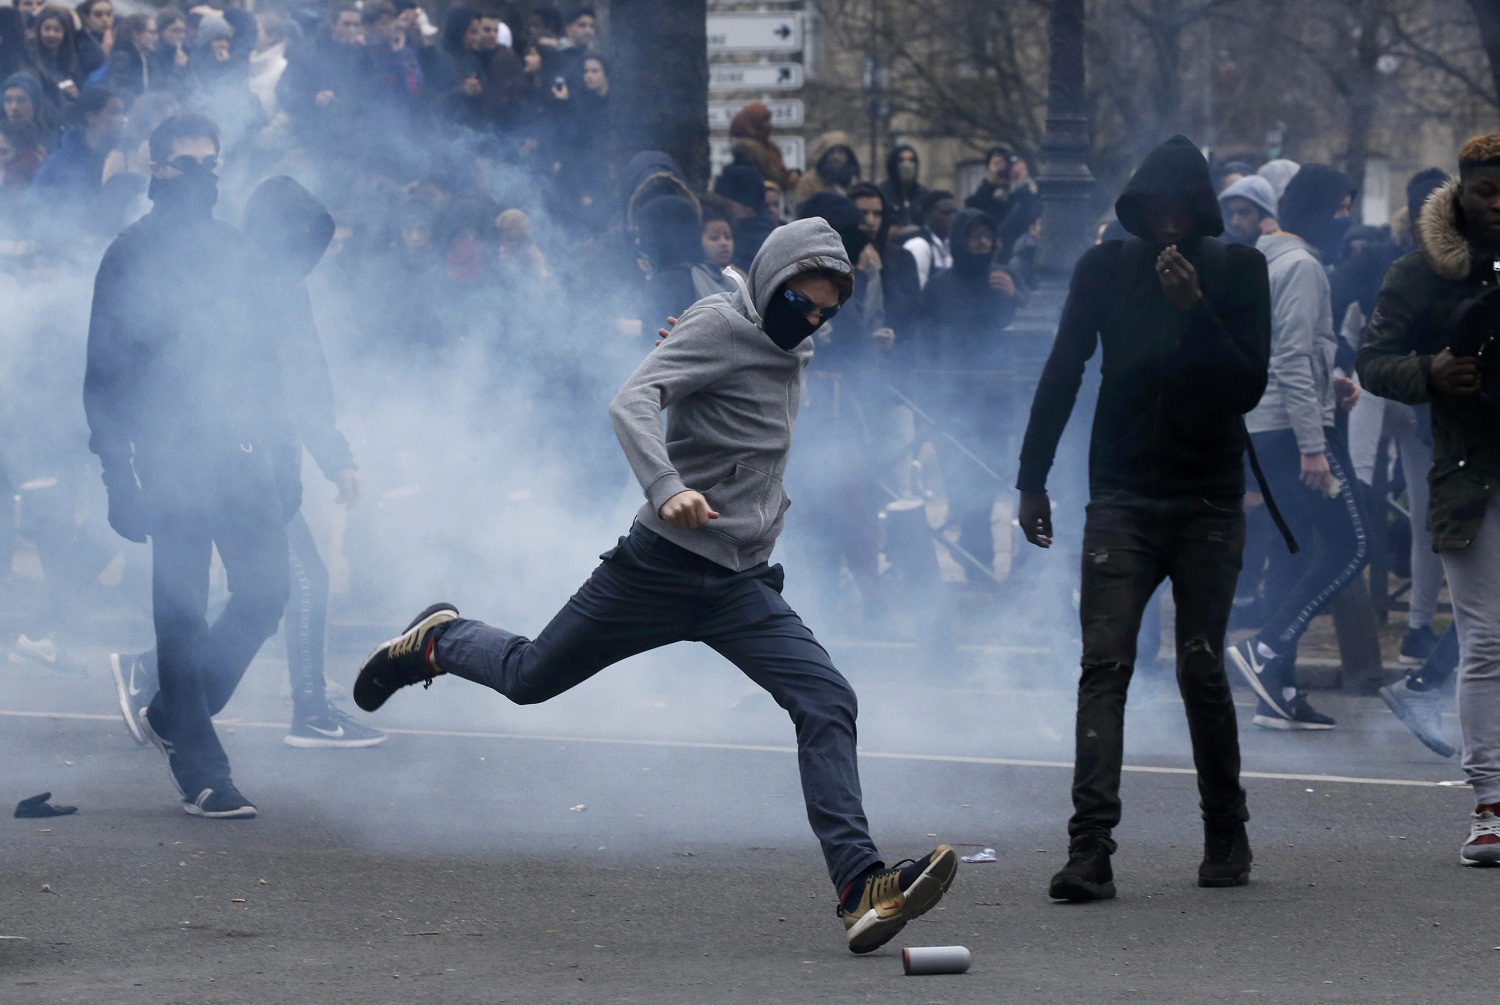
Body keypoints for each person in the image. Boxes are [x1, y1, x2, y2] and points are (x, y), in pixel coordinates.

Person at [351, 217, 958, 953]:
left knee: (827, 698)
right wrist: (666, 486)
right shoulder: (717, 324)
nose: (815, 320)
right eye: (804, 302)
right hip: (660, 564)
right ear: (774, 280)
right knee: (529, 675)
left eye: (830, 309)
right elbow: (631, 401)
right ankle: (439, 641)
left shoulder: (789, 339)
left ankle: (861, 885)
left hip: (741, 582)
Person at [1016, 135, 1271, 901]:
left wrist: (1194, 308)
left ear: (1200, 212)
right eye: (1154, 209)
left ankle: (1226, 828)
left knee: (1200, 664)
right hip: (1122, 495)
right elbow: (1064, 367)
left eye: (1181, 209)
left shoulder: (1238, 271)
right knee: (1105, 665)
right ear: (1136, 210)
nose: (1167, 224)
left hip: (1207, 499)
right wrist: (1032, 478)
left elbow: (1245, 386)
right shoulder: (1104, 268)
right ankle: (1089, 848)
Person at [109, 173, 382, 752]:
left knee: (269, 587)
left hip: (261, 466)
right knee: (291, 581)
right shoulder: (228, 280)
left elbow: (306, 381)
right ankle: (299, 710)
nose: (304, 260)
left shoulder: (283, 287)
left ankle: (156, 680)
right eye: (296, 244)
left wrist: (335, 457)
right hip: (222, 462)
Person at [84, 113, 290, 818]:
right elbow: (103, 376)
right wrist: (119, 476)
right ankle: (204, 769)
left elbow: (267, 365)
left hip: (239, 456)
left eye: (211, 164)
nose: (201, 176)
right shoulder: (130, 254)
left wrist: (283, 455)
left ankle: (174, 708)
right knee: (181, 613)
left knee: (267, 594)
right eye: (186, 164)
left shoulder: (235, 252)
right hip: (170, 457)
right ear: (156, 169)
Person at [1357, 133, 1500, 866]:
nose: (1499, 204)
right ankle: (1490, 807)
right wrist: (1432, 371)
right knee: (1485, 640)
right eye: (1487, 190)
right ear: (1463, 192)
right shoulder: (1420, 273)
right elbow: (1372, 360)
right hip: (1468, 475)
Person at [1226, 164, 1365, 731]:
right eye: (1340, 207)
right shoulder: (1303, 265)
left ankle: (1275, 692)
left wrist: (1324, 381)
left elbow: (1279, 349)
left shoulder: (1265, 258)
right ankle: (1265, 650)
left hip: (1265, 426)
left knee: (1300, 550)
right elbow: (1287, 357)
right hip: (1293, 431)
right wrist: (1314, 442)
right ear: (1316, 207)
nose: (1346, 218)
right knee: (1354, 545)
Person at [901, 189, 957, 290]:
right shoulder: (919, 245)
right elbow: (917, 290)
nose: (952, 218)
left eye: (954, 213)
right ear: (928, 216)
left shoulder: (952, 245)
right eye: (946, 213)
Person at [102, 13, 156, 103]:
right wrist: (137, 101)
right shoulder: (122, 56)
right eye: (151, 33)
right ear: (135, 34)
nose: (156, 37)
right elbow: (114, 88)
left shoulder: (145, 58)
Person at [878, 143, 928, 234]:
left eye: (911, 160)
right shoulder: (882, 192)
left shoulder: (924, 194)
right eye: (902, 160)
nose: (907, 165)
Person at [1217, 175, 1278, 247]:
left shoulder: (1281, 247)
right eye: (1230, 212)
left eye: (1243, 213)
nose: (1234, 222)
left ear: (1265, 214)